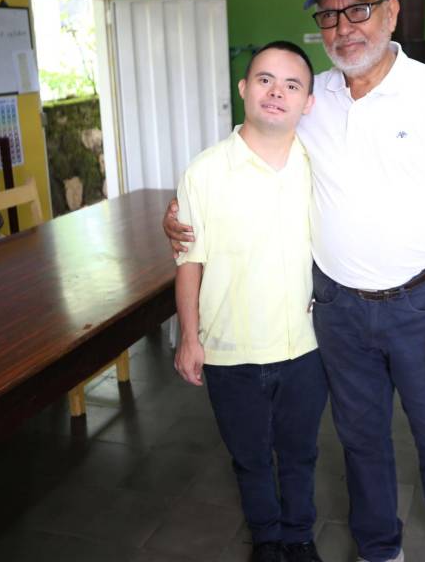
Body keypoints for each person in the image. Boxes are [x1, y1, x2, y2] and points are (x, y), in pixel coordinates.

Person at [167, 0, 425, 562]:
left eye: (359, 10)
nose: (344, 28)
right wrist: (179, 210)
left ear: (391, 14)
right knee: (361, 442)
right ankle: (379, 550)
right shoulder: (312, 96)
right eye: (329, 17)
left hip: (422, 304)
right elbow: (245, 155)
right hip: (338, 309)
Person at [173, 41, 328, 562]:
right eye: (264, 80)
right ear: (243, 89)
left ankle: (300, 535)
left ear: (308, 102)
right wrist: (189, 338)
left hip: (306, 347)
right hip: (229, 350)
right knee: (250, 457)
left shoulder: (323, 166)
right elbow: (188, 261)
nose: (276, 93)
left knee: (301, 453)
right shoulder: (205, 172)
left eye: (291, 84)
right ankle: (267, 537)